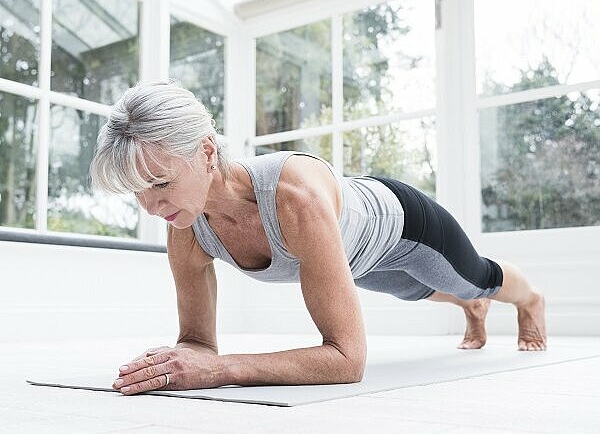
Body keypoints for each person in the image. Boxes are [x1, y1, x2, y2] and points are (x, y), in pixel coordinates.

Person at [90, 81, 547, 396]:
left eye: (161, 183)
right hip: (355, 254)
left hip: (404, 225)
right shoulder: (185, 227)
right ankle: (469, 309)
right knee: (422, 291)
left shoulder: (294, 196)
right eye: (137, 192)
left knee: (477, 279)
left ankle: (529, 302)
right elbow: (197, 344)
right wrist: (179, 360)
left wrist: (224, 369)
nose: (150, 207)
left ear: (207, 152)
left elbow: (347, 361)